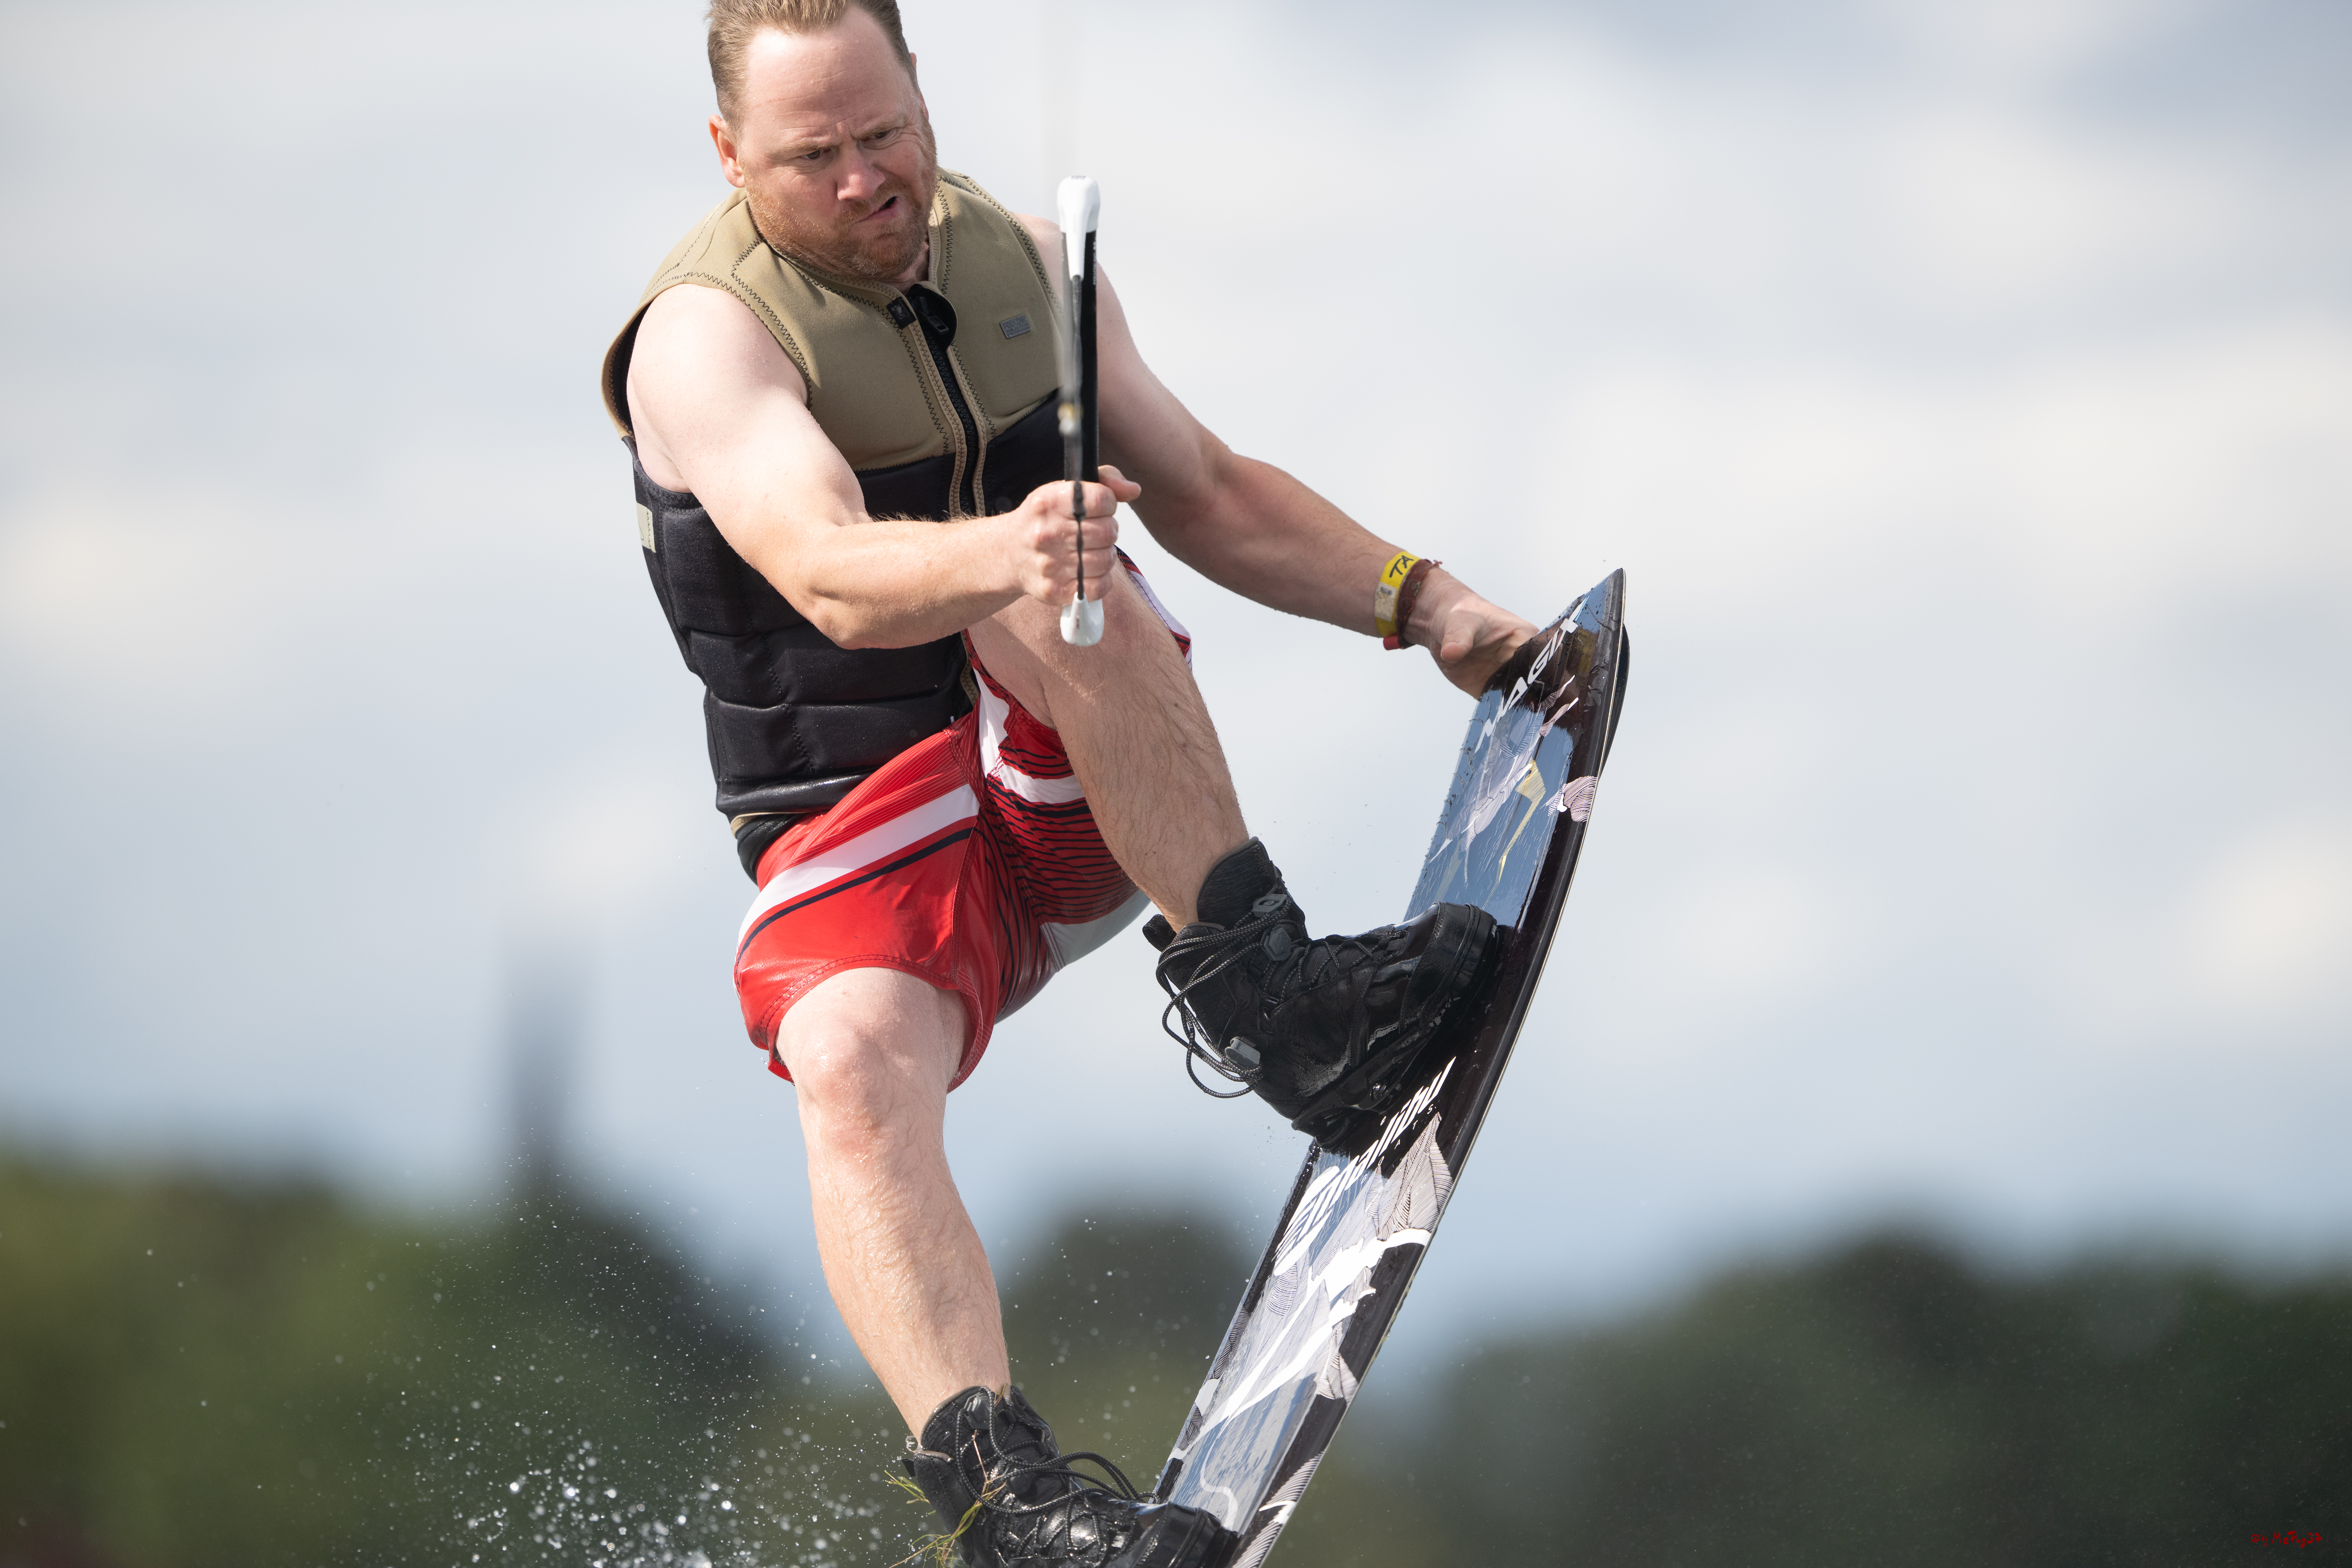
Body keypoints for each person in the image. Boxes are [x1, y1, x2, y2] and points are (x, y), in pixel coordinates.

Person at [598, 3, 1537, 1563]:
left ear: (921, 97)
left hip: (1076, 798)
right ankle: (1006, 1504)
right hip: (873, 848)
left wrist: (1423, 601)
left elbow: (1215, 490)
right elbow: (829, 574)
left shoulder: (1031, 263)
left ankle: (1286, 1007)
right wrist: (1010, 549)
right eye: (810, 157)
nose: (865, 182)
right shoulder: (709, 341)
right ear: (729, 155)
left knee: (1060, 577)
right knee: (842, 1063)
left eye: (884, 134)